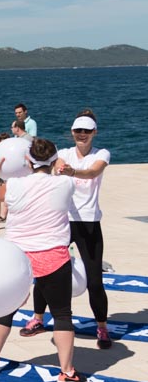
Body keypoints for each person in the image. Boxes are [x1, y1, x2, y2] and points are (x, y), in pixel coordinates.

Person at [0, 138, 80, 382]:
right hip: (53, 254)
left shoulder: (15, 185)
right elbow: (61, 166)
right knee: (62, 314)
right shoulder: (65, 183)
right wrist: (56, 160)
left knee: (5, 309)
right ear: (53, 161)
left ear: (27, 160)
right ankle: (66, 371)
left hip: (17, 255)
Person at [56, 111, 111, 349]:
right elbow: (51, 161)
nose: (82, 135)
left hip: (89, 223)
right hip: (63, 221)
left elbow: (93, 172)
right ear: (72, 132)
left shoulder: (102, 154)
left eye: (87, 131)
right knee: (49, 275)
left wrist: (72, 172)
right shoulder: (64, 153)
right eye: (78, 131)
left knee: (95, 281)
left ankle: (102, 327)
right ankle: (37, 318)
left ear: (94, 132)